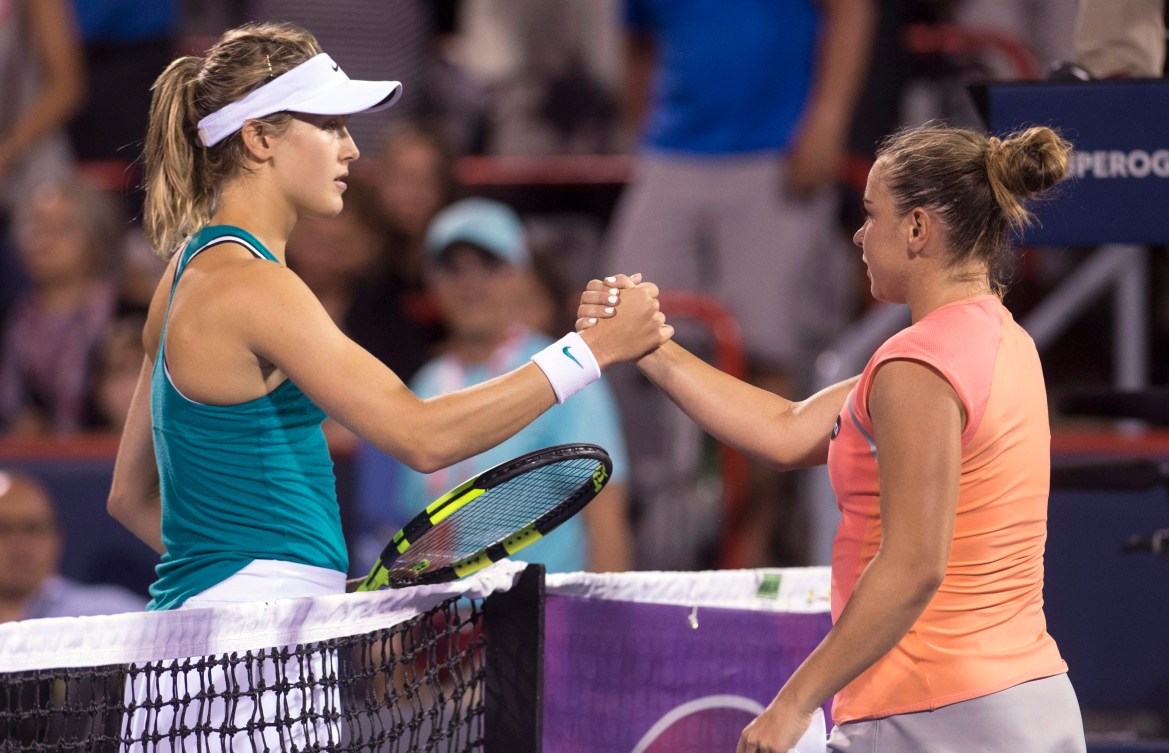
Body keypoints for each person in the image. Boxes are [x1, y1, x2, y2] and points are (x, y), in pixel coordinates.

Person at [106, 20, 667, 611]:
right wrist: (591, 350)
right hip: (254, 637)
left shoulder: (184, 273)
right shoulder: (259, 288)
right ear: (259, 138)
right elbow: (424, 437)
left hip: (210, 629)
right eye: (329, 126)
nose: (351, 148)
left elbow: (129, 496)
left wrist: (288, 576)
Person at [579, 124, 1085, 752]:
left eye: (871, 215)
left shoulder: (918, 366)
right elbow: (787, 430)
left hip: (936, 711)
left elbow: (913, 567)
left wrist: (793, 703)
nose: (858, 235)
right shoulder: (1002, 341)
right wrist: (648, 345)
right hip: (1017, 700)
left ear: (918, 229)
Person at [604, 0, 876, 568]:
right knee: (613, 326)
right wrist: (641, 131)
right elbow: (635, 39)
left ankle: (752, 547)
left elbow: (851, 10)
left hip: (774, 151)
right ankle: (651, 523)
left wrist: (828, 119)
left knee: (768, 349)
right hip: (670, 153)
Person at [356, 198, 634, 574]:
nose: (471, 284)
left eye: (490, 265)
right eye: (452, 268)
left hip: (546, 606)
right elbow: (413, 527)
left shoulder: (567, 372)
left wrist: (604, 609)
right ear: (431, 282)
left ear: (523, 276)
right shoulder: (424, 382)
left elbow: (607, 520)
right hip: (446, 608)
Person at [0, 175, 127, 435]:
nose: (42, 242)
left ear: (97, 238)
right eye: (34, 227)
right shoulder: (12, 317)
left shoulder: (125, 314)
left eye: (61, 228)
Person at [0, 470, 144, 623]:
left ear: (56, 540)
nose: (20, 545)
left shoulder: (111, 616)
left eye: (33, 529)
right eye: (3, 529)